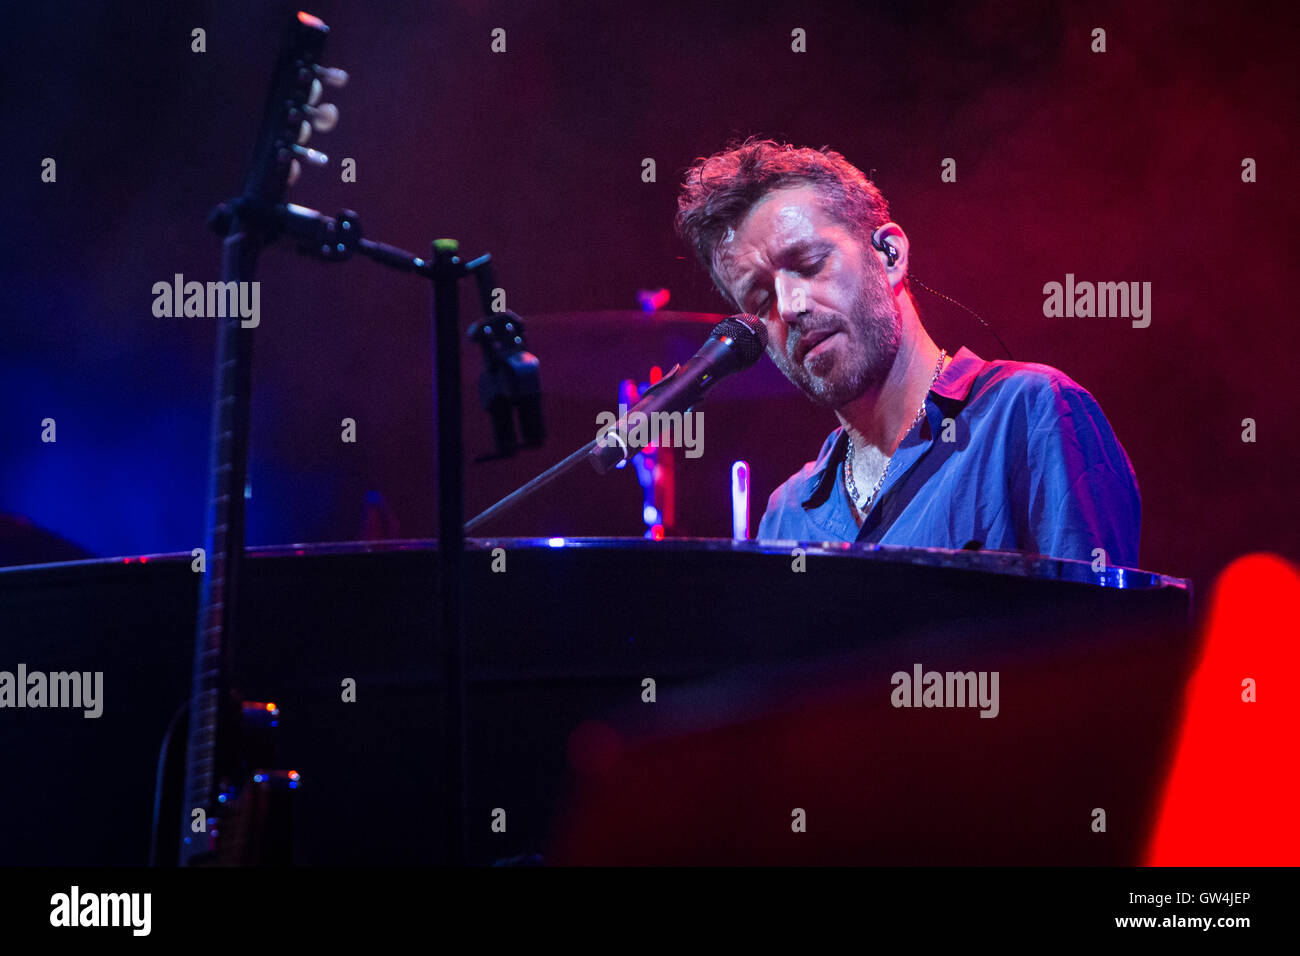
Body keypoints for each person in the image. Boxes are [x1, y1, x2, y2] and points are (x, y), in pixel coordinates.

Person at [674, 138, 1141, 567]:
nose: (791, 307)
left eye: (810, 265)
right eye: (760, 300)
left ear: (889, 255)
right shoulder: (785, 516)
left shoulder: (1032, 413)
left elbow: (1098, 647)